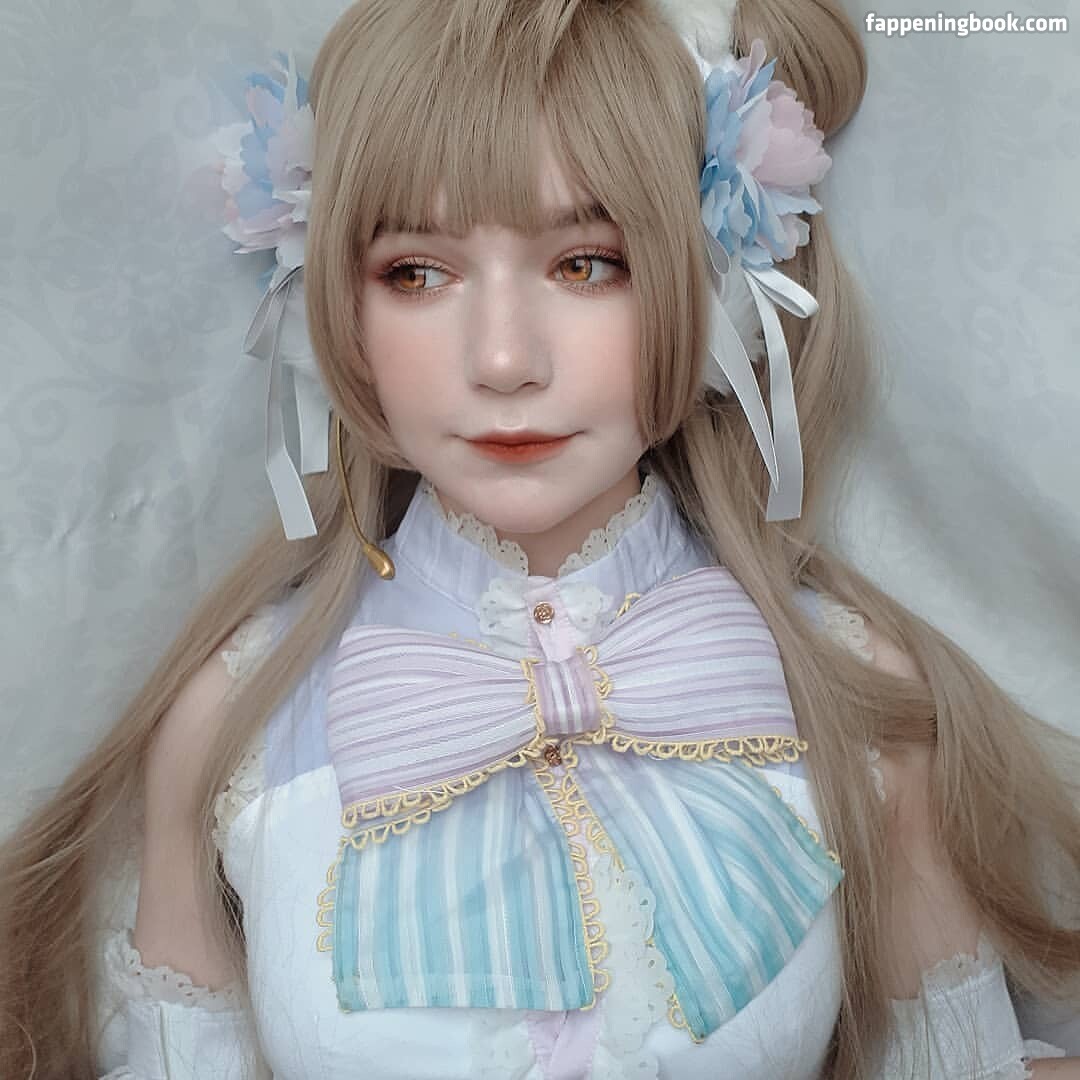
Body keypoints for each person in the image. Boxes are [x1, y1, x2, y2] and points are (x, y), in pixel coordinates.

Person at [2, 0, 1078, 1077]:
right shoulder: (234, 719)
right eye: (416, 273)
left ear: (712, 285)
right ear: (337, 310)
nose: (505, 360)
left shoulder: (854, 691)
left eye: (587, 264)